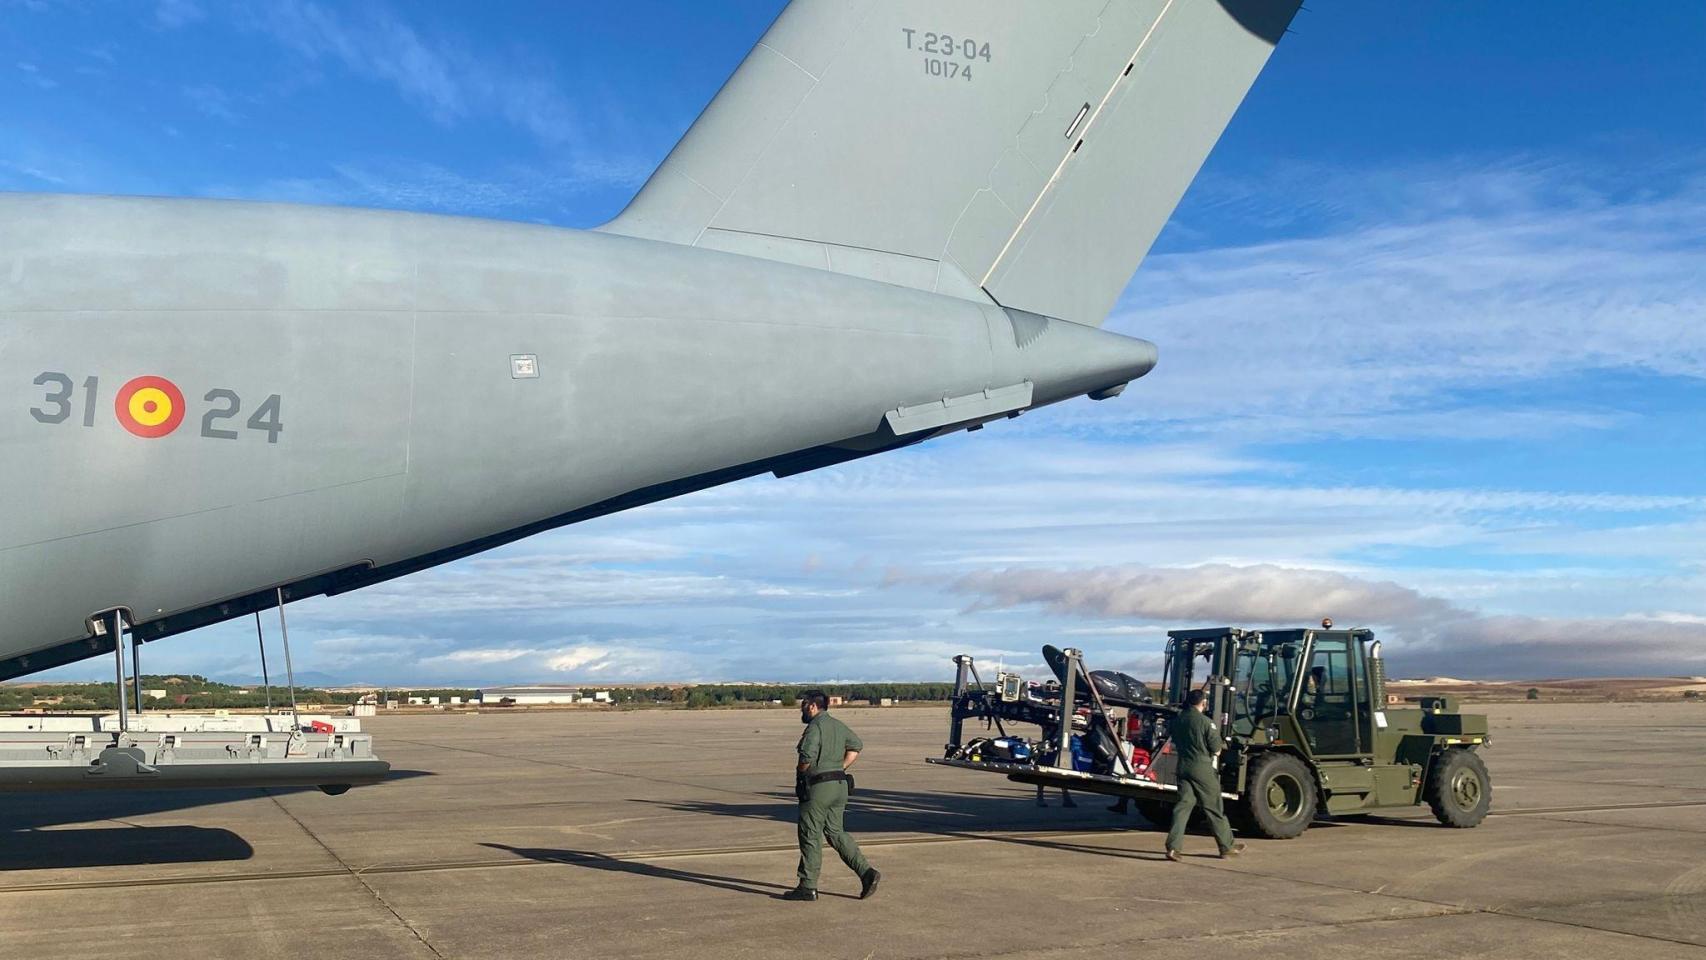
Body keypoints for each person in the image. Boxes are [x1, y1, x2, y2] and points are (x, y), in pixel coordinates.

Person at [782, 690, 881, 901]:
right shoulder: (838, 725)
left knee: (810, 834)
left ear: (812, 706)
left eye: (803, 705)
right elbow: (856, 746)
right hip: (839, 785)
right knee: (836, 832)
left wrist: (802, 774)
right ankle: (866, 872)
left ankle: (807, 886)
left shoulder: (815, 727)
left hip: (818, 788)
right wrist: (839, 767)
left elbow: (806, 757)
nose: (801, 709)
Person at [1165, 689, 1246, 861]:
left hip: (1183, 766)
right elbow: (1216, 749)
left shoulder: (1178, 720)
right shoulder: (1206, 722)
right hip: (1201, 768)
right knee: (1214, 807)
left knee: (1183, 807)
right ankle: (1227, 846)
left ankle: (1173, 848)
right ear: (1203, 702)